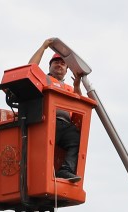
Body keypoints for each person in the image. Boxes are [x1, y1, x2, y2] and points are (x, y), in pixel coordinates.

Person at [27, 39, 85, 181]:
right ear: (50, 66)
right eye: (56, 62)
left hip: (64, 126)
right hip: (45, 120)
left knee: (78, 139)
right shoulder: (43, 80)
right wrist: (44, 46)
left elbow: (80, 105)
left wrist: (77, 85)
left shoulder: (70, 89)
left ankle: (66, 169)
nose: (59, 65)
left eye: (63, 63)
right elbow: (30, 68)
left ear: (66, 70)